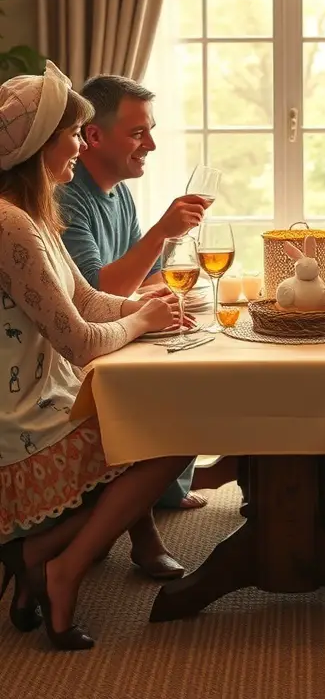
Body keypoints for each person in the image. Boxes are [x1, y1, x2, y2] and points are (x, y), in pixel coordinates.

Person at [0, 61, 194, 650]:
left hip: (45, 395)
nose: (80, 147)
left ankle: (37, 555)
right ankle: (64, 566)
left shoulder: (32, 213)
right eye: (71, 136)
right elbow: (81, 339)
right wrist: (141, 317)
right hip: (23, 422)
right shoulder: (10, 224)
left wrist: (147, 315)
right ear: (41, 145)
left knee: (162, 418)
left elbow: (86, 298)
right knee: (174, 431)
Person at [59, 75, 208, 512]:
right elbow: (94, 294)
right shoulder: (66, 197)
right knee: (186, 380)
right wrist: (163, 231)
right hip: (81, 353)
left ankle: (161, 491)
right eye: (138, 133)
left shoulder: (119, 193)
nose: (151, 145)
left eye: (151, 131)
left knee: (200, 357)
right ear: (92, 135)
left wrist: (163, 281)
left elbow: (151, 278)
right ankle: (154, 491)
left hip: (121, 331)